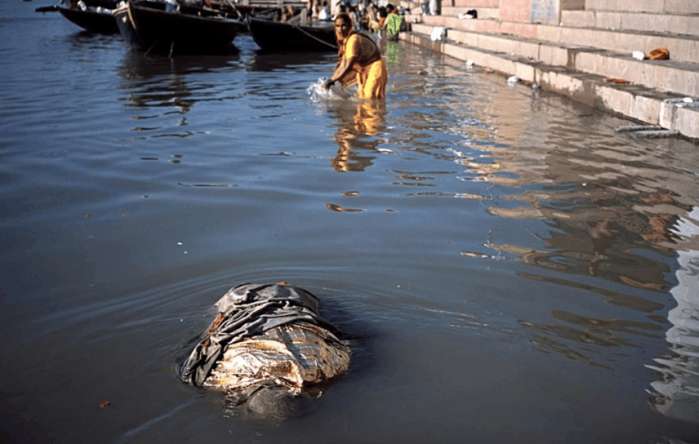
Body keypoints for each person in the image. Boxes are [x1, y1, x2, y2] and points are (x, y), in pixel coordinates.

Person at [324, 13, 388, 99]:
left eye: (343, 26)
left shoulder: (353, 39)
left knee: (370, 99)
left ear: (349, 26)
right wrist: (330, 81)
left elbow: (348, 65)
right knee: (362, 100)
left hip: (375, 68)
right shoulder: (345, 42)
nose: (340, 29)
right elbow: (342, 65)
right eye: (337, 26)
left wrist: (332, 80)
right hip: (363, 71)